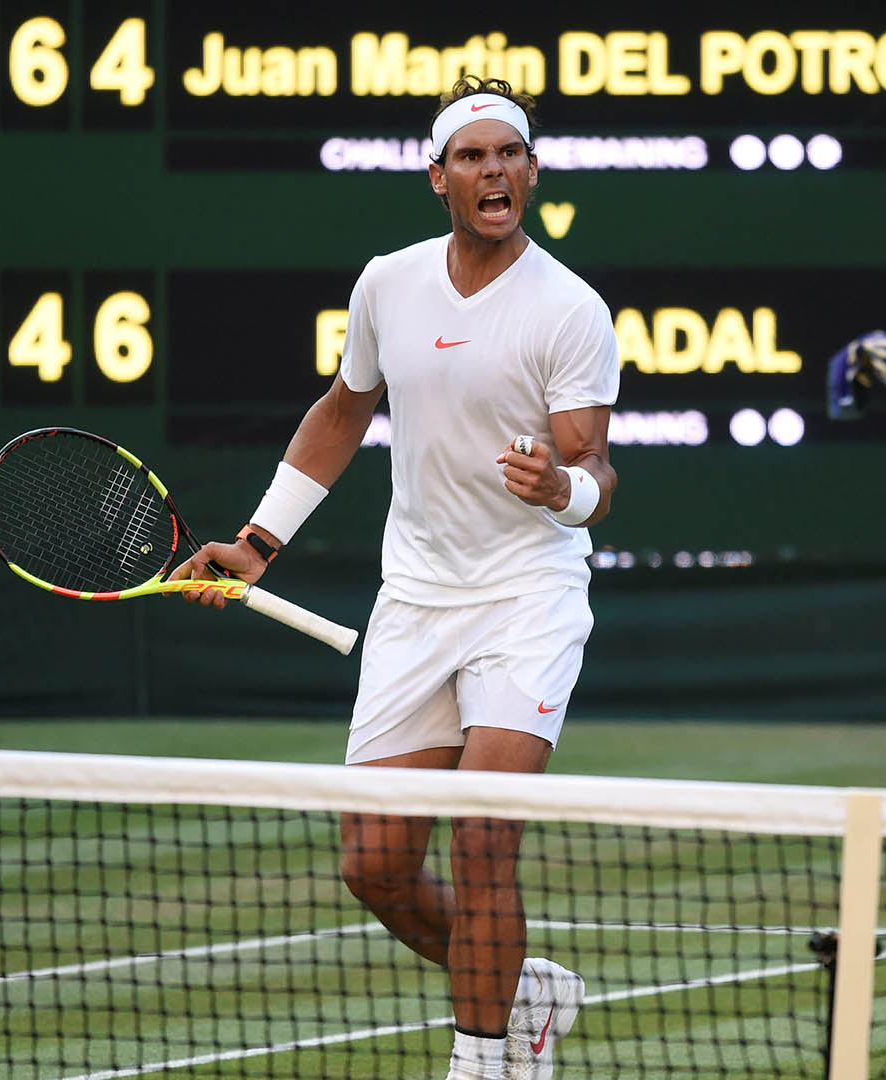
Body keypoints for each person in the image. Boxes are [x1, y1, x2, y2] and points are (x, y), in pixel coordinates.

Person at [169, 75, 617, 1080]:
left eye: (510, 153)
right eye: (472, 155)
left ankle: (482, 1056)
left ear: (531, 173)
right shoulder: (386, 285)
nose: (493, 169)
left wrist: (560, 491)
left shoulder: (571, 310)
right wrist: (256, 542)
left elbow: (595, 469)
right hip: (415, 600)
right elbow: (341, 410)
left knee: (482, 839)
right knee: (373, 867)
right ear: (438, 177)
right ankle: (524, 991)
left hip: (526, 597)